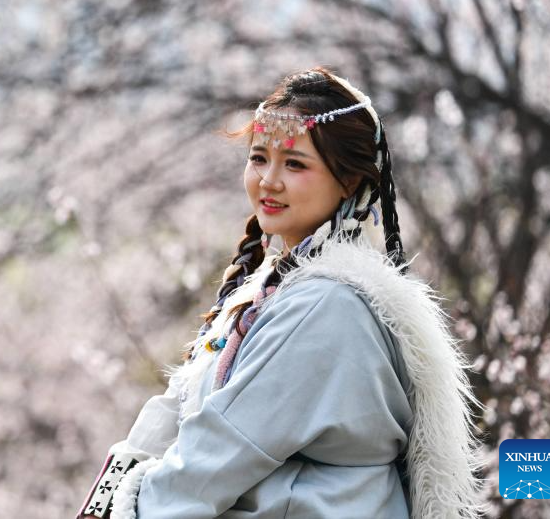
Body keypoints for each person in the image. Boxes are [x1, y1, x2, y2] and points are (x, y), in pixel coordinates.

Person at [75, 67, 485, 519]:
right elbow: (176, 410)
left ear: (349, 181)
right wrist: (112, 493)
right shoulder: (276, 288)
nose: (269, 180)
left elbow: (218, 451)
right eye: (259, 158)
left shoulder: (325, 304)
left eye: (295, 164)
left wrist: (126, 506)